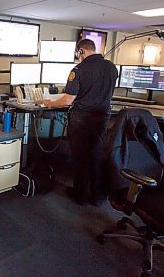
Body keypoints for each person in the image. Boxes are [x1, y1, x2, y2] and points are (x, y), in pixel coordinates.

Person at [42, 39, 118, 206]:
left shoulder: (79, 69)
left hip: (82, 121)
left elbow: (68, 100)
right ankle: (97, 196)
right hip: (102, 119)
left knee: (80, 158)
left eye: (78, 54)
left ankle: (80, 195)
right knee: (96, 156)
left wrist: (49, 103)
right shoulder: (111, 67)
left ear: (81, 51)